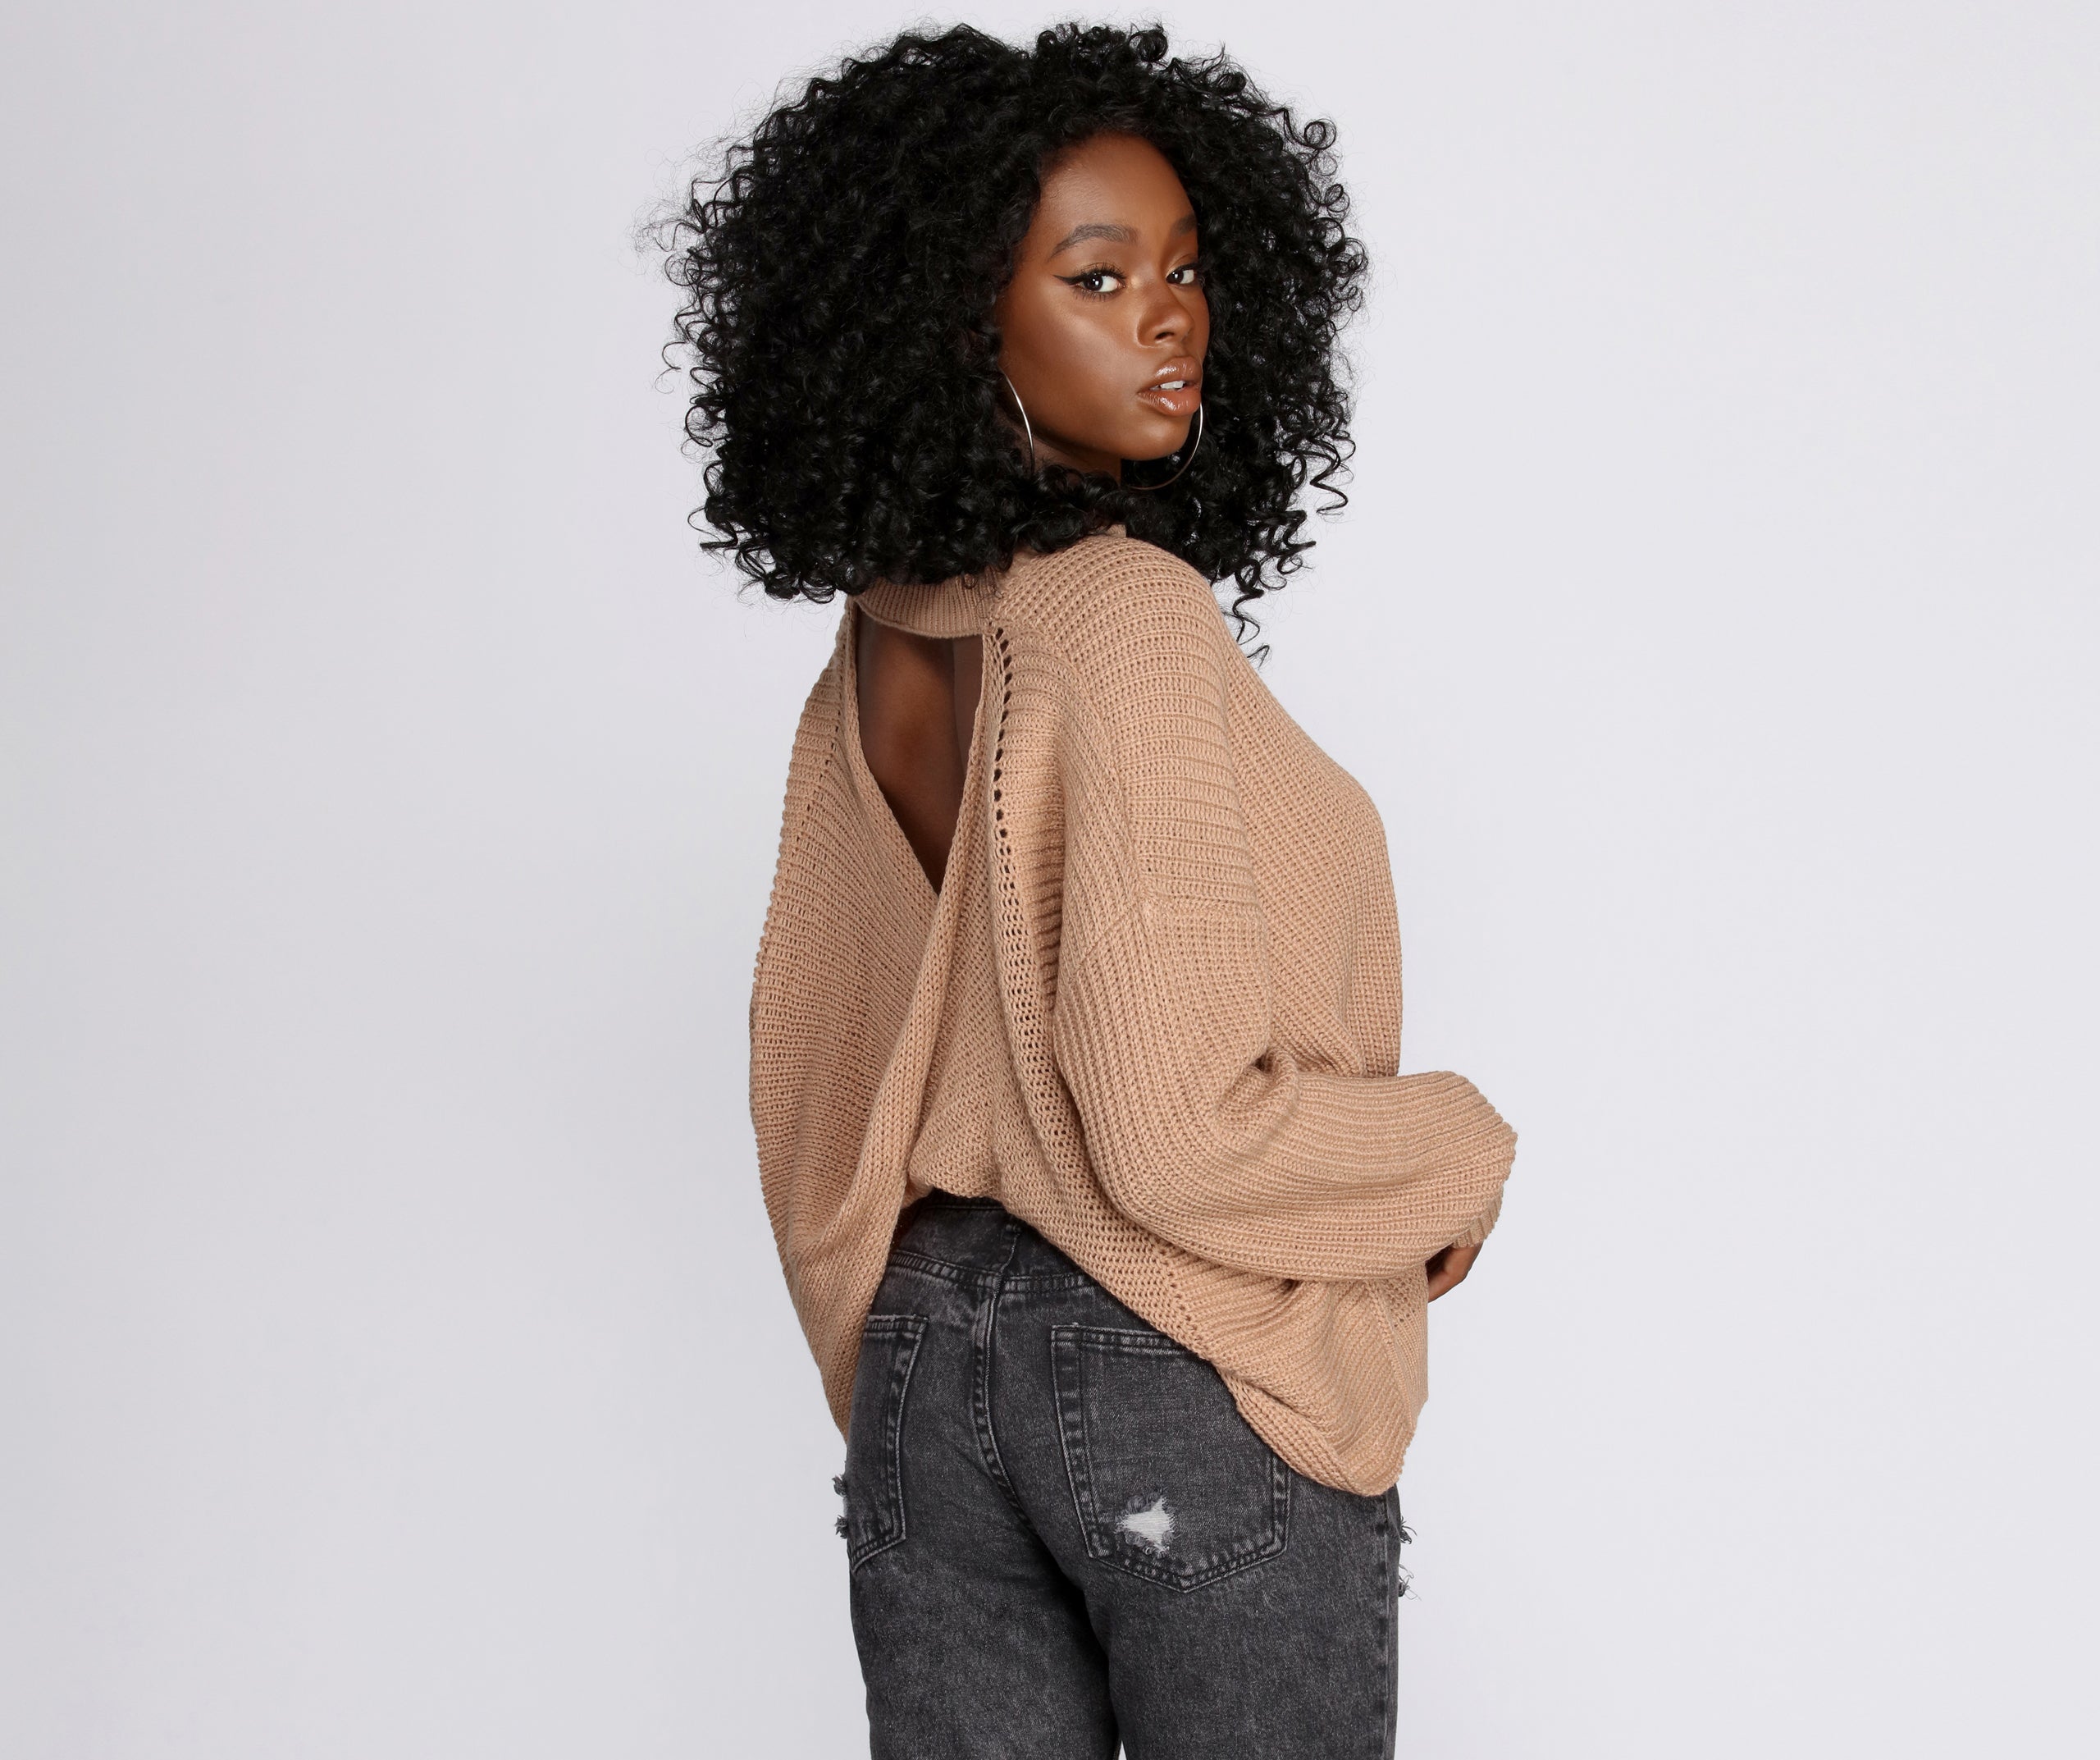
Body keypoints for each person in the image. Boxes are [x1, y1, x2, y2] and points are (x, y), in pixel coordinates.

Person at [662, 23, 1517, 1758]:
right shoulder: (1119, 612)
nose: (1169, 318)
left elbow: (813, 1105)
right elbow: (1175, 1131)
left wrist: (906, 1368)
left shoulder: (879, 648)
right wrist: (1453, 1151)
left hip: (922, 1365)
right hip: (1166, 1352)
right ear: (950, 317)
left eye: (1185, 269)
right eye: (1098, 275)